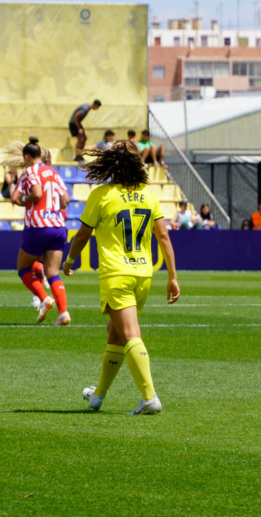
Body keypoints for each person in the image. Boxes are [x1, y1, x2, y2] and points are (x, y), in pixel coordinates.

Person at [62, 139, 180, 415]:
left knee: (129, 335)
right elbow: (163, 236)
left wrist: (69, 260)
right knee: (114, 334)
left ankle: (150, 397)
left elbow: (82, 235)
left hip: (117, 274)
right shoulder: (148, 195)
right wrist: (173, 277)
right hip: (143, 275)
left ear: (111, 163)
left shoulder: (102, 195)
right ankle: (98, 396)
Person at [10, 137, 71, 325]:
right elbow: (65, 200)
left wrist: (23, 200)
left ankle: (44, 299)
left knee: (23, 268)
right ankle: (63, 314)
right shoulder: (53, 171)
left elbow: (33, 194)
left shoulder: (29, 171)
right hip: (59, 226)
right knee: (52, 272)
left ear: (27, 156)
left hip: (39, 225)